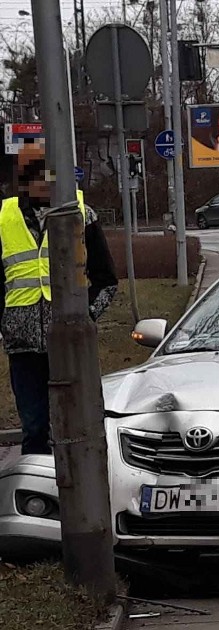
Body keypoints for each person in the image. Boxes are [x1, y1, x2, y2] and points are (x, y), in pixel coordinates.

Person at [0, 141, 118, 455]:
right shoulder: (3, 217)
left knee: (76, 425)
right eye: (33, 174)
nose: (41, 181)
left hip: (69, 341)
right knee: (35, 428)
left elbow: (106, 280)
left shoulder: (81, 213)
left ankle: (80, 493)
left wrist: (86, 316)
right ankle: (37, 498)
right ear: (21, 179)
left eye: (47, 173)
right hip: (23, 345)